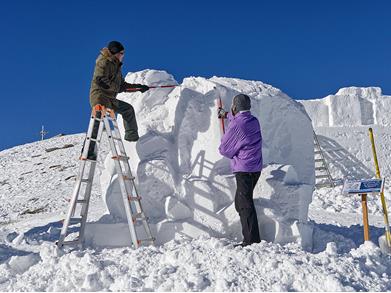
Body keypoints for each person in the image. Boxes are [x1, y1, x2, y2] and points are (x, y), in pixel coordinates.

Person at [87, 41, 149, 159]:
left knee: (128, 109)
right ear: (114, 53)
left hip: (110, 98)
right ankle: (89, 151)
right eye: (121, 53)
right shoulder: (103, 62)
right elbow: (100, 79)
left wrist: (139, 87)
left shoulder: (117, 67)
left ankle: (132, 140)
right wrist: (116, 87)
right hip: (99, 96)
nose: (123, 55)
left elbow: (122, 85)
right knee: (98, 119)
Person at [218, 94, 263, 247]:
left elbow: (224, 150)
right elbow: (238, 119)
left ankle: (251, 240)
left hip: (244, 170)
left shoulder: (237, 125)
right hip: (256, 168)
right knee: (240, 202)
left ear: (235, 107)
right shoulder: (253, 120)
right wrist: (226, 115)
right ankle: (250, 235)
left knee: (245, 205)